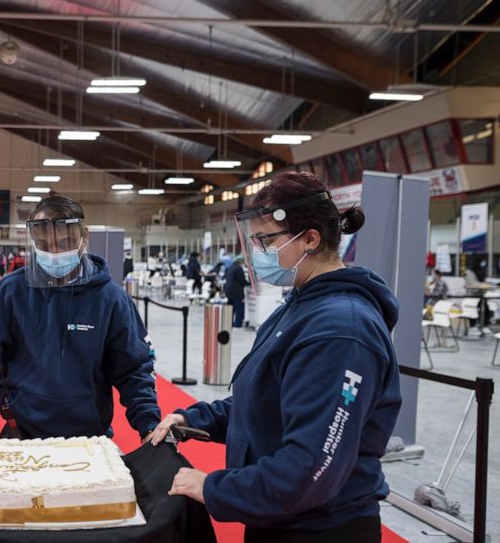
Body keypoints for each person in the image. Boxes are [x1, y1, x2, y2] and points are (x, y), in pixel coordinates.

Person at [149, 171, 401, 541]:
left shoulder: (340, 331)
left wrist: (213, 488)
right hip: (279, 517)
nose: (257, 251)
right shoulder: (299, 307)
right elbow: (264, 400)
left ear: (310, 239)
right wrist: (194, 419)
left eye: (265, 240)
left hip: (321, 528)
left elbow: (311, 467)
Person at [0, 195, 161, 452]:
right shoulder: (10, 293)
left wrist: (149, 426)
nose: (55, 252)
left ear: (85, 236)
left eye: (65, 242)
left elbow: (134, 370)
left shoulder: (111, 299)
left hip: (90, 440)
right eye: (44, 244)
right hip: (20, 435)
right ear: (34, 241)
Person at [223, 255, 249, 328]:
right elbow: (242, 280)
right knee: (239, 308)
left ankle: (229, 322)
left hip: (228, 290)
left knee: (231, 308)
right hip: (236, 291)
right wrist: (249, 284)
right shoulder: (238, 268)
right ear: (240, 261)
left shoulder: (230, 267)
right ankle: (237, 323)